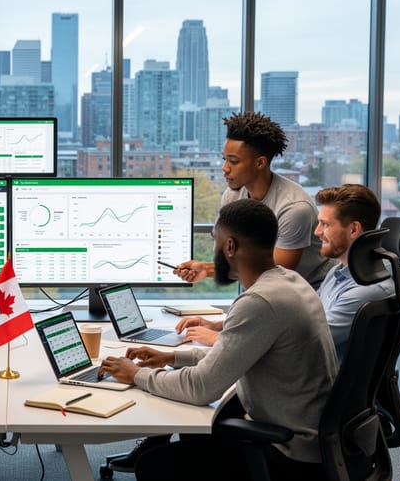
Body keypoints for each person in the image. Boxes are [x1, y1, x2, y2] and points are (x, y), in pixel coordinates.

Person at [99, 199, 337, 479]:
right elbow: (237, 352)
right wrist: (171, 357)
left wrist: (137, 375)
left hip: (289, 453)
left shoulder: (260, 301)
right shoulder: (290, 282)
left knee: (153, 465)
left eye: (216, 242)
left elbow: (202, 387)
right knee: (192, 437)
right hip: (313, 438)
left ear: (230, 247)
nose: (213, 252)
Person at [175, 111, 335, 291]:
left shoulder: (294, 208)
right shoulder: (232, 196)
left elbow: (274, 275)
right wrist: (205, 269)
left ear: (260, 163)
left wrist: (209, 269)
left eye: (233, 161)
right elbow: (237, 260)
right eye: (224, 159)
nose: (224, 168)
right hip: (269, 291)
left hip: (310, 293)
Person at [314, 184, 395, 361]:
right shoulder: (338, 271)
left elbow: (311, 341)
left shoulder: (367, 290)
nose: (317, 231)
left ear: (353, 229)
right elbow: (310, 309)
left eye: (325, 224)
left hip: (325, 382)